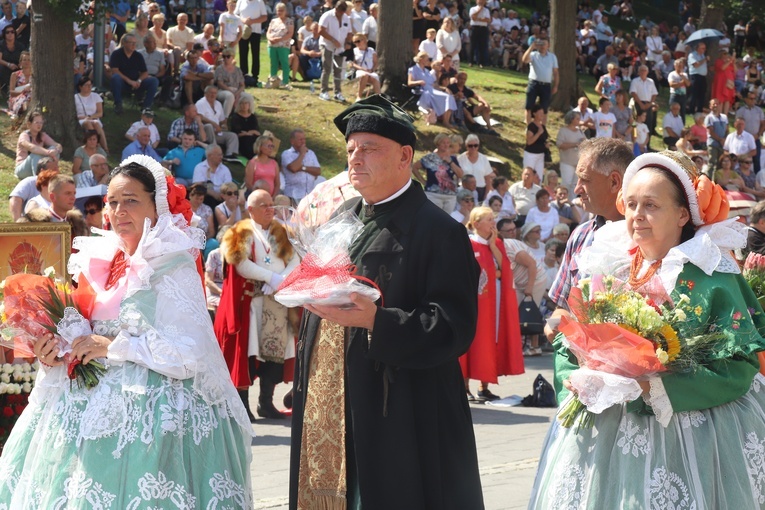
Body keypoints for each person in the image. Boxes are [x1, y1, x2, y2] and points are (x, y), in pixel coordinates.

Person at [0, 155, 254, 507]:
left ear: (156, 205)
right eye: (113, 202)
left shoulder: (172, 261)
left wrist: (114, 345)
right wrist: (53, 353)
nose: (119, 210)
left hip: (150, 411)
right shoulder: (97, 258)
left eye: (131, 201)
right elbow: (80, 331)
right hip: (79, 405)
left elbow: (188, 353)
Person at [529, 150, 765, 509]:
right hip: (605, 430)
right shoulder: (611, 267)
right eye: (633, 204)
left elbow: (739, 366)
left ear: (683, 214)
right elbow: (569, 342)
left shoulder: (712, 276)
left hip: (692, 437)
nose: (637, 215)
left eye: (651, 205)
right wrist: (581, 381)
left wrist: (654, 385)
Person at [288, 95, 484, 509]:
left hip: (398, 412)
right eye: (351, 150)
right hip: (329, 400)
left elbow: (453, 326)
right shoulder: (343, 218)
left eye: (370, 148)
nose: (355, 159)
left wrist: (379, 321)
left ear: (405, 156)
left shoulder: (439, 231)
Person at [215, 188, 299, 422]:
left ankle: (266, 403)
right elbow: (240, 263)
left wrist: (281, 280)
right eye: (264, 205)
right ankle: (243, 405)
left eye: (271, 204)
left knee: (275, 354)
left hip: (278, 303)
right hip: (252, 303)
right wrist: (269, 278)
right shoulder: (239, 231)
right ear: (250, 209)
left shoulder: (282, 231)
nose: (270, 209)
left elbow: (295, 259)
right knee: (248, 354)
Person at [544, 138, 633, 340]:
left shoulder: (645, 237)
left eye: (585, 180)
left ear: (614, 182)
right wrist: (552, 326)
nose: (577, 189)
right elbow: (561, 307)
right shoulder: (580, 235)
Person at [461, 207, 523, 400]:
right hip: (476, 301)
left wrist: (494, 247)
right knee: (473, 341)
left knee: (491, 339)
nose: (492, 223)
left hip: (494, 301)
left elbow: (505, 269)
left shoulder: (496, 243)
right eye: (489, 219)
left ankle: (484, 386)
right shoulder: (467, 244)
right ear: (477, 223)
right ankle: (464, 386)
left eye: (493, 219)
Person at [498, 218, 547, 356]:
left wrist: (529, 289)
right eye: (509, 230)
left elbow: (531, 264)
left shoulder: (510, 246)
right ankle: (518, 346)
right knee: (517, 312)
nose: (513, 232)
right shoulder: (499, 247)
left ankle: (535, 347)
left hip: (535, 280)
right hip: (520, 283)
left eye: (514, 229)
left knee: (531, 310)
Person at [411, 132, 462, 212]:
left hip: (450, 196)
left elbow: (461, 174)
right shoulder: (430, 157)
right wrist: (423, 181)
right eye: (443, 143)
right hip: (433, 194)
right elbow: (414, 167)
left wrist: (450, 163)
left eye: (448, 143)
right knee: (432, 219)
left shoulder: (453, 158)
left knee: (446, 221)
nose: (446, 145)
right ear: (437, 143)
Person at [108, 33, 159, 114]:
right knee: (115, 78)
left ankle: (146, 107)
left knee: (153, 80)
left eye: (135, 43)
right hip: (122, 82)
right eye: (131, 43)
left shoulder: (138, 55)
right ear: (124, 43)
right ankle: (118, 105)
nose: (133, 45)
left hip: (136, 82)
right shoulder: (116, 54)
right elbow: (115, 70)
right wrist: (129, 81)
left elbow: (145, 72)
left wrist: (138, 81)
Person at [408, 51, 457, 127]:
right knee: (446, 97)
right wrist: (419, 82)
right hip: (423, 90)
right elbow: (409, 83)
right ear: (421, 59)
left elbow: (434, 84)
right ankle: (445, 121)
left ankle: (446, 120)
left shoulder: (427, 71)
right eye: (427, 59)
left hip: (432, 89)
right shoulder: (413, 69)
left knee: (449, 97)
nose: (428, 61)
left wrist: (444, 88)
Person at [317, 0, 353, 102]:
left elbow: (349, 33)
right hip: (326, 45)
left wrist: (348, 43)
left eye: (343, 11)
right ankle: (323, 91)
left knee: (338, 69)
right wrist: (332, 40)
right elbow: (321, 30)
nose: (341, 13)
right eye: (340, 11)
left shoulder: (346, 18)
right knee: (327, 67)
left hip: (340, 47)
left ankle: (338, 92)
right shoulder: (327, 16)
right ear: (336, 8)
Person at [195, 85, 240, 159]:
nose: (213, 95)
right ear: (205, 93)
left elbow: (222, 120)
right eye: (211, 93)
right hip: (205, 132)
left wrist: (223, 125)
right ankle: (214, 152)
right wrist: (214, 124)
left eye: (215, 93)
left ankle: (230, 155)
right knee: (209, 126)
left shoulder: (218, 104)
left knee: (232, 136)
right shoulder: (200, 103)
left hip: (217, 132)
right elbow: (199, 117)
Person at [15, 110, 62, 180]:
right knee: (35, 154)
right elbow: (32, 148)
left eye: (41, 122)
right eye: (36, 122)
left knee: (54, 149)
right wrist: (48, 152)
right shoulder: (24, 135)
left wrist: (56, 150)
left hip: (37, 166)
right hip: (22, 169)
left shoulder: (42, 135)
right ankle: (38, 180)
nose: (39, 125)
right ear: (29, 124)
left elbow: (58, 145)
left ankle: (51, 175)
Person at [522, 37, 558, 123]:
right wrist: (531, 47)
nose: (542, 46)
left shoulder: (552, 57)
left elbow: (556, 72)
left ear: (548, 45)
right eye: (540, 44)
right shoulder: (533, 55)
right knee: (529, 106)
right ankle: (529, 126)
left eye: (544, 44)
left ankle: (543, 128)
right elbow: (524, 60)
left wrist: (556, 85)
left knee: (544, 108)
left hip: (546, 85)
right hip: (533, 84)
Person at [280, 128, 322, 203]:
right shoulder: (286, 154)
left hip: (309, 195)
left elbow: (318, 171)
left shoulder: (310, 153)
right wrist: (302, 154)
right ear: (292, 141)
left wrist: (302, 168)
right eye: (300, 139)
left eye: (304, 139)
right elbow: (293, 168)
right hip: (293, 195)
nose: (303, 142)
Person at [235, 0, 268, 83]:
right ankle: (243, 74)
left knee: (255, 54)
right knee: (243, 53)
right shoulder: (240, 1)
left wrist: (252, 21)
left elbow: (264, 17)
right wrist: (243, 20)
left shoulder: (259, 2)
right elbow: (236, 15)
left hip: (255, 31)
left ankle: (255, 76)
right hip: (243, 31)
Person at [215, 47, 255, 117]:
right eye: (224, 56)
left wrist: (237, 93)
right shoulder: (219, 69)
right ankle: (225, 118)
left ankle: (251, 116)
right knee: (229, 96)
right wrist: (232, 92)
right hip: (223, 90)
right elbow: (220, 83)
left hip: (237, 90)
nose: (226, 58)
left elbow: (242, 85)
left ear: (232, 57)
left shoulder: (238, 70)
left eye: (228, 56)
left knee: (249, 97)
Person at [74, 76, 109, 153]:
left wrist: (90, 117)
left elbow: (100, 113)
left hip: (93, 118)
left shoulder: (95, 96)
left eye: (90, 85)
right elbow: (74, 114)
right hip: (81, 119)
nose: (89, 87)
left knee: (96, 123)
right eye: (86, 85)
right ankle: (98, 146)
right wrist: (85, 118)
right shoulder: (75, 98)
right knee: (87, 122)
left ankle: (105, 148)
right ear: (80, 87)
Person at [457, 134, 495, 201]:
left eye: (475, 145)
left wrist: (486, 195)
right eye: (470, 146)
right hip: (464, 189)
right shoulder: (460, 158)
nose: (473, 148)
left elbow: (488, 179)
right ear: (466, 146)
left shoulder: (483, 159)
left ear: (478, 146)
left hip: (480, 190)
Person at [557, 110, 587, 194]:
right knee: (566, 183)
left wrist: (584, 142)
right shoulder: (563, 131)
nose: (579, 121)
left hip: (578, 163)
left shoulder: (580, 131)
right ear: (571, 119)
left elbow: (585, 143)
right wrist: (575, 144)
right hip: (567, 162)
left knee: (575, 185)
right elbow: (560, 145)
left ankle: (571, 203)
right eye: (577, 119)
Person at [266, 2, 294, 90]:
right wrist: (270, 38)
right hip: (272, 45)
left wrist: (279, 39)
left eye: (281, 11)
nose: (279, 12)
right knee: (273, 63)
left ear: (285, 11)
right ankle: (273, 80)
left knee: (284, 63)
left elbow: (290, 33)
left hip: (283, 46)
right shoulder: (273, 20)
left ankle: (285, 81)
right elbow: (268, 32)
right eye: (278, 11)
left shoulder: (289, 21)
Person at [735, 89, 765, 173]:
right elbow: (738, 124)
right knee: (742, 159)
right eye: (751, 98)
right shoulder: (741, 111)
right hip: (744, 139)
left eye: (754, 99)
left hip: (756, 138)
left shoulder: (759, 111)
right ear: (746, 99)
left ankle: (756, 179)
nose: (753, 100)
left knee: (756, 160)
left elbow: (763, 124)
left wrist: (758, 134)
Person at [245, 132, 280, 196]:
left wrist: (273, 197)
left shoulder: (274, 163)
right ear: (260, 147)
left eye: (272, 146)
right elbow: (248, 183)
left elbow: (277, 184)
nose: (271, 148)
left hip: (271, 198)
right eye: (269, 146)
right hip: (257, 196)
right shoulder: (252, 163)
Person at [351, 33, 380, 101]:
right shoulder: (354, 51)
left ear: (364, 40)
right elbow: (353, 63)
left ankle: (379, 98)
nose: (356, 43)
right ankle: (359, 96)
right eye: (355, 42)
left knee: (375, 78)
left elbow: (376, 62)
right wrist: (362, 69)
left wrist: (372, 69)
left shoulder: (371, 50)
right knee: (364, 75)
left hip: (370, 71)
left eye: (358, 41)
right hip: (360, 71)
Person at [524, 104, 549, 181]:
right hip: (531, 154)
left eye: (543, 113)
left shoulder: (543, 126)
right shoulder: (531, 126)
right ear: (534, 114)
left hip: (540, 154)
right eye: (540, 113)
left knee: (539, 177)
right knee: (529, 174)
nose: (542, 115)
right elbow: (529, 142)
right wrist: (538, 133)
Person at [705, 98, 729, 177]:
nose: (715, 105)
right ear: (710, 106)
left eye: (717, 104)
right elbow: (711, 131)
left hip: (722, 144)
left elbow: (727, 130)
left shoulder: (724, 117)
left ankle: (717, 181)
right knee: (712, 162)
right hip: (713, 144)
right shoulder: (709, 117)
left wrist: (725, 139)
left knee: (720, 163)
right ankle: (708, 180)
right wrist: (720, 139)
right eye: (713, 104)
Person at [712, 48, 736, 115]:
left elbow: (735, 70)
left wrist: (733, 62)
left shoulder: (729, 61)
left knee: (727, 99)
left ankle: (725, 115)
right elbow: (722, 68)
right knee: (720, 98)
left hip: (729, 82)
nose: (726, 55)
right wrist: (730, 60)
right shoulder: (718, 61)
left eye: (727, 53)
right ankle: (718, 114)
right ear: (720, 54)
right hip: (721, 81)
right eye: (724, 53)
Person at [687, 41, 709, 115]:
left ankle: (699, 110)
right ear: (698, 48)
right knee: (694, 94)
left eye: (705, 48)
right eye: (703, 48)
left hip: (702, 77)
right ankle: (691, 110)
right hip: (695, 76)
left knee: (702, 94)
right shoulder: (692, 55)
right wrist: (705, 59)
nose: (704, 50)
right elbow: (696, 65)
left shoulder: (702, 55)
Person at [7, 49, 30, 118]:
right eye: (24, 60)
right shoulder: (15, 75)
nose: (27, 62)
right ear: (20, 63)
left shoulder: (35, 76)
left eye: (29, 60)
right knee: (23, 99)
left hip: (30, 97)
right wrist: (23, 91)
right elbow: (11, 92)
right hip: (17, 97)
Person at [667, 57, 690, 123]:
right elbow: (672, 85)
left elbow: (688, 84)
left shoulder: (685, 74)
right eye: (678, 65)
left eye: (681, 65)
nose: (680, 67)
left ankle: (682, 126)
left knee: (682, 112)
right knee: (671, 110)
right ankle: (669, 124)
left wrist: (683, 77)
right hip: (675, 95)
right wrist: (682, 83)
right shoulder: (672, 74)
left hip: (683, 95)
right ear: (675, 66)